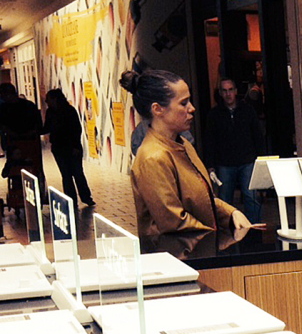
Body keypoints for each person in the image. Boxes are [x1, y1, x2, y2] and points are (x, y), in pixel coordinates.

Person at [122, 68, 262, 239]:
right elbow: (175, 223)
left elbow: (200, 199)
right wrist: (221, 235)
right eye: (183, 103)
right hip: (176, 255)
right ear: (158, 109)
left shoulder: (184, 144)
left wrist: (231, 213)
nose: (192, 108)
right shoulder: (153, 158)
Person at [204, 78, 267, 223]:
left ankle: (254, 229)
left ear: (236, 91)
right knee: (225, 200)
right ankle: (228, 231)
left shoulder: (248, 110)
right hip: (225, 163)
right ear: (220, 93)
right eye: (224, 91)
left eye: (230, 90)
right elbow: (209, 141)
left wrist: (262, 159)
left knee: (251, 197)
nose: (228, 94)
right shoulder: (214, 115)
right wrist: (210, 165)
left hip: (248, 161)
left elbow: (257, 136)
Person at [42, 88, 95, 208]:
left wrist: (75, 145)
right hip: (59, 148)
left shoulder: (69, 111)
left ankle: (85, 197)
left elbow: (76, 130)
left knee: (77, 173)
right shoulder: (53, 112)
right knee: (67, 175)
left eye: (48, 99)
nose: (46, 101)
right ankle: (73, 199)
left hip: (70, 147)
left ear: (55, 99)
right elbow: (47, 128)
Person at [0, 83, 45, 210]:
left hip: (23, 142)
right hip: (20, 141)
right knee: (27, 168)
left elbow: (37, 125)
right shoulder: (28, 106)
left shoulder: (7, 108)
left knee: (29, 167)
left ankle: (33, 193)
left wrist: (10, 132)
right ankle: (24, 193)